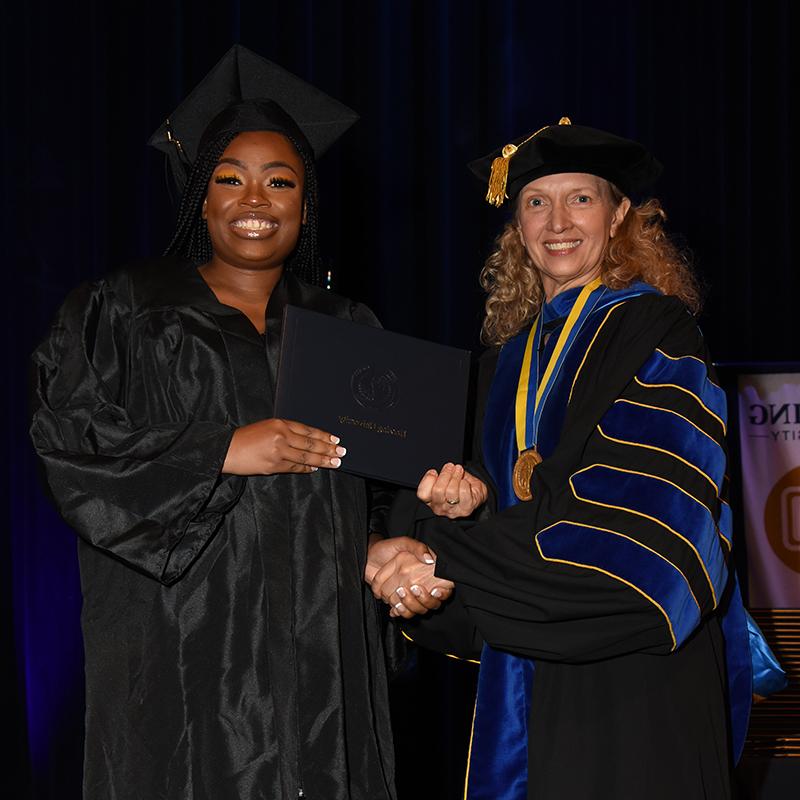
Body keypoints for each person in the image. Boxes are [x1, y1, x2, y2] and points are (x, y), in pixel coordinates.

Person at [29, 45, 440, 800]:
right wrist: (219, 450)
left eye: (280, 181)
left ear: (306, 204)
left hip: (322, 647)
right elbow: (70, 444)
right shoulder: (122, 307)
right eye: (231, 178)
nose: (257, 198)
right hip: (183, 642)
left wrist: (387, 547)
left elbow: (385, 482)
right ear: (200, 195)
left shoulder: (349, 328)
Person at [366, 118, 764, 799]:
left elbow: (647, 522)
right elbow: (478, 517)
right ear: (516, 228)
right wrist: (458, 511)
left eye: (580, 198)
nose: (558, 220)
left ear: (618, 217)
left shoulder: (657, 330)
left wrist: (443, 556)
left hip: (637, 677)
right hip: (527, 668)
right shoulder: (498, 367)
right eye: (535, 202)